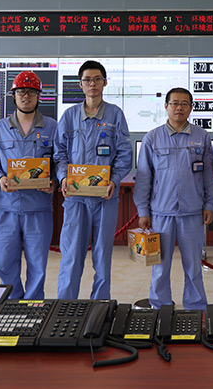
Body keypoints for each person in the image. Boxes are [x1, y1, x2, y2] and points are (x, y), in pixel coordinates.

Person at [54, 60, 132, 300]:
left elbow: (124, 154)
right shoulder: (69, 117)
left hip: (104, 198)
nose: (92, 84)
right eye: (87, 80)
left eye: (97, 79)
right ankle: (65, 306)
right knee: (71, 256)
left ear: (105, 82)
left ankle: (100, 305)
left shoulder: (115, 115)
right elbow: (59, 154)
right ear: (80, 84)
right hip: (76, 199)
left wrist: (114, 180)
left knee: (102, 256)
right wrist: (63, 177)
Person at [134, 87, 213, 310]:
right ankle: (159, 307)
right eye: (174, 103)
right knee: (160, 267)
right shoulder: (152, 138)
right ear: (166, 106)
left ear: (191, 108)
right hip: (161, 214)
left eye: (184, 104)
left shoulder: (201, 137)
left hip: (193, 213)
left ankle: (195, 308)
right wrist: (143, 211)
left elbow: (208, 175)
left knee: (194, 267)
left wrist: (210, 203)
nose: (179, 108)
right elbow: (144, 178)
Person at [0, 71, 57, 300]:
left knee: (38, 264)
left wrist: (54, 182)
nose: (26, 96)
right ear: (13, 96)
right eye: (21, 92)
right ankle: (12, 303)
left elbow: (59, 160)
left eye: (31, 92)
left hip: (38, 207)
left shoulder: (52, 127)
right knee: (4, 261)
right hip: (5, 207)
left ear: (38, 96)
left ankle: (33, 306)